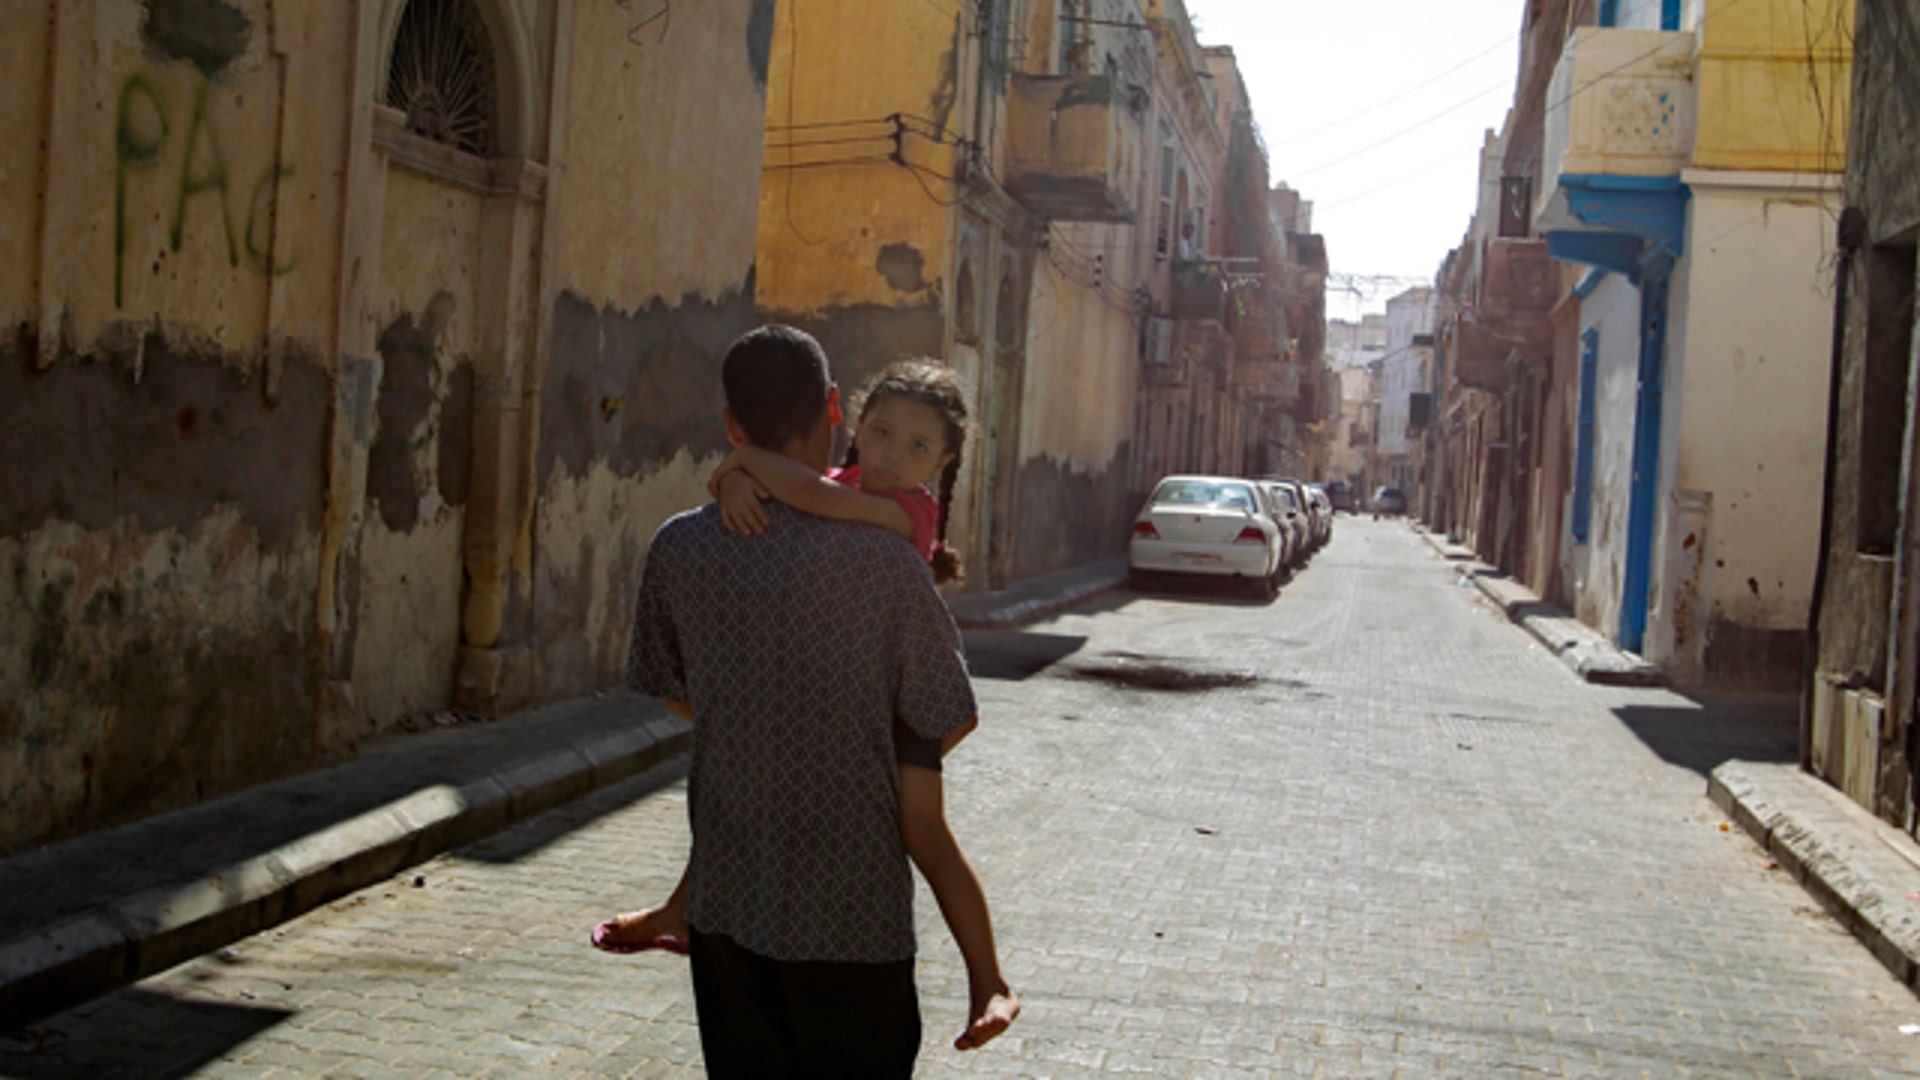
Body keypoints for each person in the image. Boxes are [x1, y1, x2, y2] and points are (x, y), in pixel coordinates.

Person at [606, 328, 1011, 1075]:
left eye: (914, 445)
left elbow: (677, 697)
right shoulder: (888, 565)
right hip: (852, 919)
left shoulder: (679, 548)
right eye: (881, 432)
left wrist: (769, 730)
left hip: (731, 904)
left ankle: (678, 910)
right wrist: (847, 748)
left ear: (731, 425)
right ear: (839, 412)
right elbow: (947, 714)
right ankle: (991, 981)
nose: (891, 452)